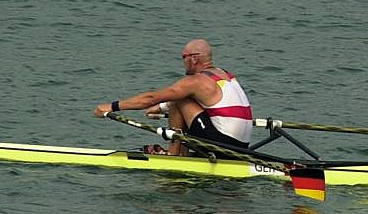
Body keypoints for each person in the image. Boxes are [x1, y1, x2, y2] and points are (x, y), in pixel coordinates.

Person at [93, 39, 253, 156]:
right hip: (241, 146)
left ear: (194, 58)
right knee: (179, 99)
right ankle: (181, 153)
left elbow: (150, 98)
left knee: (179, 98)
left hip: (222, 146)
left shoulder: (196, 81)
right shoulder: (224, 74)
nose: (183, 61)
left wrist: (111, 107)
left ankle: (174, 155)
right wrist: (162, 107)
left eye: (184, 57)